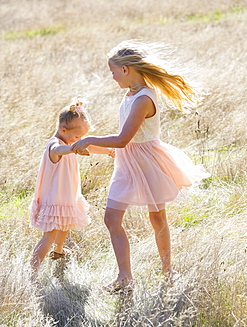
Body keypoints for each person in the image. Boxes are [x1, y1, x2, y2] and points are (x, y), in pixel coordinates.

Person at [72, 40, 210, 293]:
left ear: (126, 70)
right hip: (127, 161)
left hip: (147, 161)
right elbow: (124, 141)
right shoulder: (129, 94)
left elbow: (124, 138)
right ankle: (125, 278)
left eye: (113, 71)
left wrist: (90, 140)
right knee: (112, 218)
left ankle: (168, 271)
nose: (112, 77)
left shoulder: (144, 99)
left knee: (157, 217)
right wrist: (99, 149)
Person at [30, 101, 114, 278]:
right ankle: (32, 270)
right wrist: (72, 149)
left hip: (66, 195)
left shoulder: (70, 141)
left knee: (66, 223)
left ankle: (59, 250)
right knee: (50, 235)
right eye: (77, 138)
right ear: (63, 131)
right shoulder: (55, 145)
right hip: (54, 197)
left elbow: (89, 146)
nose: (78, 142)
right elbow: (58, 150)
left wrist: (107, 151)